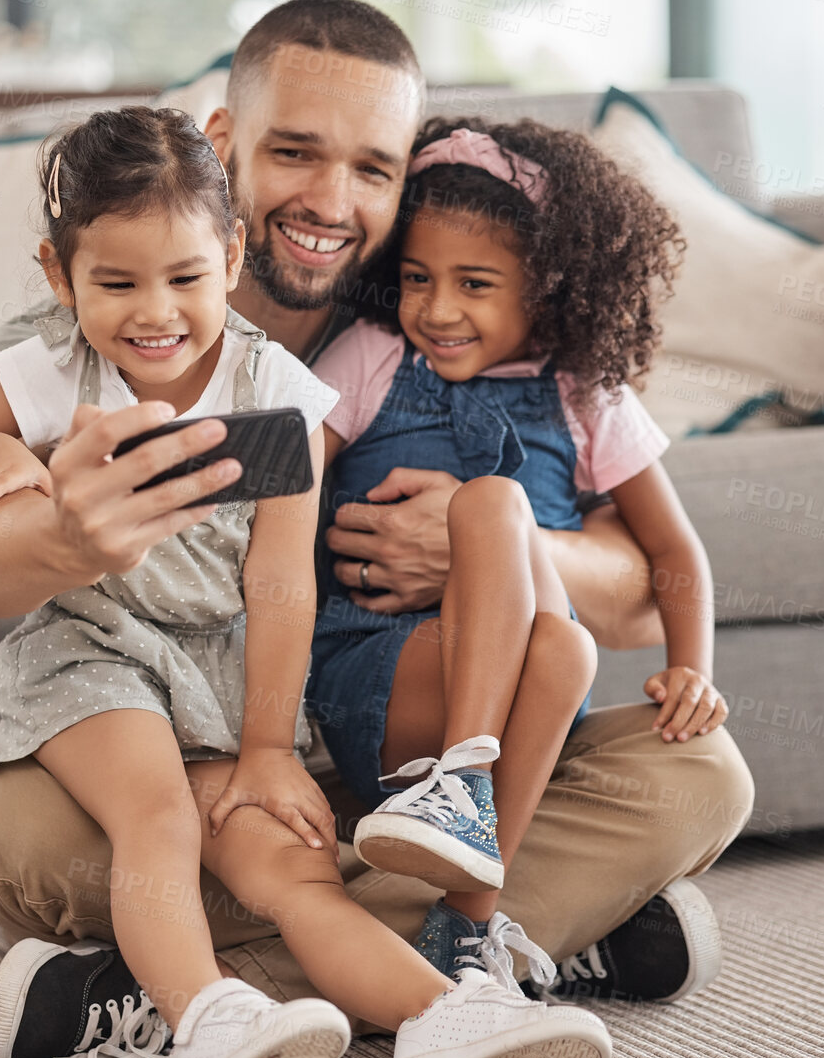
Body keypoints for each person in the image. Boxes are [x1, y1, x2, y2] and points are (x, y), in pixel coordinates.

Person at [0, 0, 755, 1058]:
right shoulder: (119, 315)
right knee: (26, 836)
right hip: (195, 753)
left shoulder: (433, 313)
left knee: (698, 772)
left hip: (404, 763)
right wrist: (69, 531)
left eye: (372, 167)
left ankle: (145, 995)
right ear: (224, 149)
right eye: (294, 154)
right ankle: (513, 944)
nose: (331, 201)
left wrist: (490, 553)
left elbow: (645, 586)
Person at [0, 105, 613, 1058]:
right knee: (161, 815)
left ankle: (445, 1015)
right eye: (116, 283)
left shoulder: (274, 386)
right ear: (59, 274)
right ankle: (206, 1021)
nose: (155, 312)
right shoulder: (52, 367)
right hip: (93, 652)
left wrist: (271, 748)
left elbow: (282, 580)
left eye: (184, 278)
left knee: (290, 867)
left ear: (230, 255)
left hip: (221, 672)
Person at [308, 114, 728, 989]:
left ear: (548, 288)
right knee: (496, 501)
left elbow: (674, 550)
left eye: (476, 283)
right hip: (388, 684)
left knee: (568, 642)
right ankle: (475, 832)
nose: (438, 308)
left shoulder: (585, 394)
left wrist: (693, 669)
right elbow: (285, 496)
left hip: (534, 710)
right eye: (417, 278)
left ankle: (462, 927)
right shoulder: (372, 354)